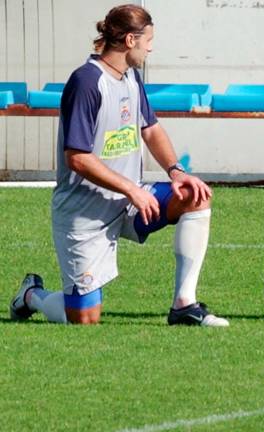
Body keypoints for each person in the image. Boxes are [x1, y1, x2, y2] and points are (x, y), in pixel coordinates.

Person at [9, 4, 228, 327]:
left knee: (195, 196)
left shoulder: (130, 78)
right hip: (83, 212)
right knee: (83, 319)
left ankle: (184, 305)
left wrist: (177, 172)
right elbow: (77, 157)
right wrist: (131, 190)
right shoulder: (86, 82)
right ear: (129, 40)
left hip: (128, 201)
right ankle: (31, 296)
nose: (151, 48)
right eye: (148, 40)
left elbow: (150, 129)